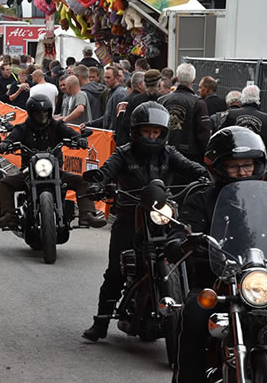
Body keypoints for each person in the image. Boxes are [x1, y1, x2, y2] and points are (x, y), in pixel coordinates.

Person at [165, 126, 267, 383]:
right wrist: (180, 240)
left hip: (263, 280)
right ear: (218, 166)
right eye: (234, 166)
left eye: (247, 165)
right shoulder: (201, 199)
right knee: (193, 313)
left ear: (257, 164)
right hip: (216, 283)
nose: (242, 171)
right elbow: (185, 227)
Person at [82, 102, 207, 342]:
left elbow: (191, 168)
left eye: (155, 132)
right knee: (116, 272)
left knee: (188, 260)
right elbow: (107, 170)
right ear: (136, 131)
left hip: (164, 216)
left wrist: (204, 176)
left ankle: (189, 319)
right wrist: (99, 183)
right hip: (131, 216)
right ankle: (100, 323)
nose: (151, 136)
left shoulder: (169, 153)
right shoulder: (124, 152)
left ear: (163, 133)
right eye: (146, 131)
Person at [0, 95, 106, 229]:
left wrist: (79, 139)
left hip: (55, 170)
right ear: (31, 112)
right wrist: (6, 144)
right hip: (29, 171)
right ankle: (9, 217)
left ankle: (87, 214)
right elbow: (12, 138)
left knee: (82, 181)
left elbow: (71, 133)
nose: (42, 115)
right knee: (5, 182)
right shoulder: (22, 128)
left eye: (45, 111)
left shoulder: (57, 125)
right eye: (38, 112)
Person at [221, 84, 267, 183]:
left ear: (242, 98)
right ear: (258, 99)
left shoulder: (231, 115)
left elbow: (220, 138)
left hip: (234, 162)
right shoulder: (266, 118)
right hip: (256, 163)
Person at [159, 63, 212, 167]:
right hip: (190, 157)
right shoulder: (198, 103)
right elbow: (203, 134)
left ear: (177, 78)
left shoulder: (162, 100)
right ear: (194, 80)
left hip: (164, 154)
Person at [115, 69, 162, 146]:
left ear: (145, 84)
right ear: (159, 84)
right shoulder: (163, 100)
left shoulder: (135, 100)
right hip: (158, 143)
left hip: (137, 143)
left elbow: (126, 124)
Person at [84, 65, 125, 130]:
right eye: (105, 77)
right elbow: (106, 117)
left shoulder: (118, 94)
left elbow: (115, 119)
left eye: (108, 77)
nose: (105, 80)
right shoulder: (110, 92)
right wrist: (89, 124)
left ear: (116, 78)